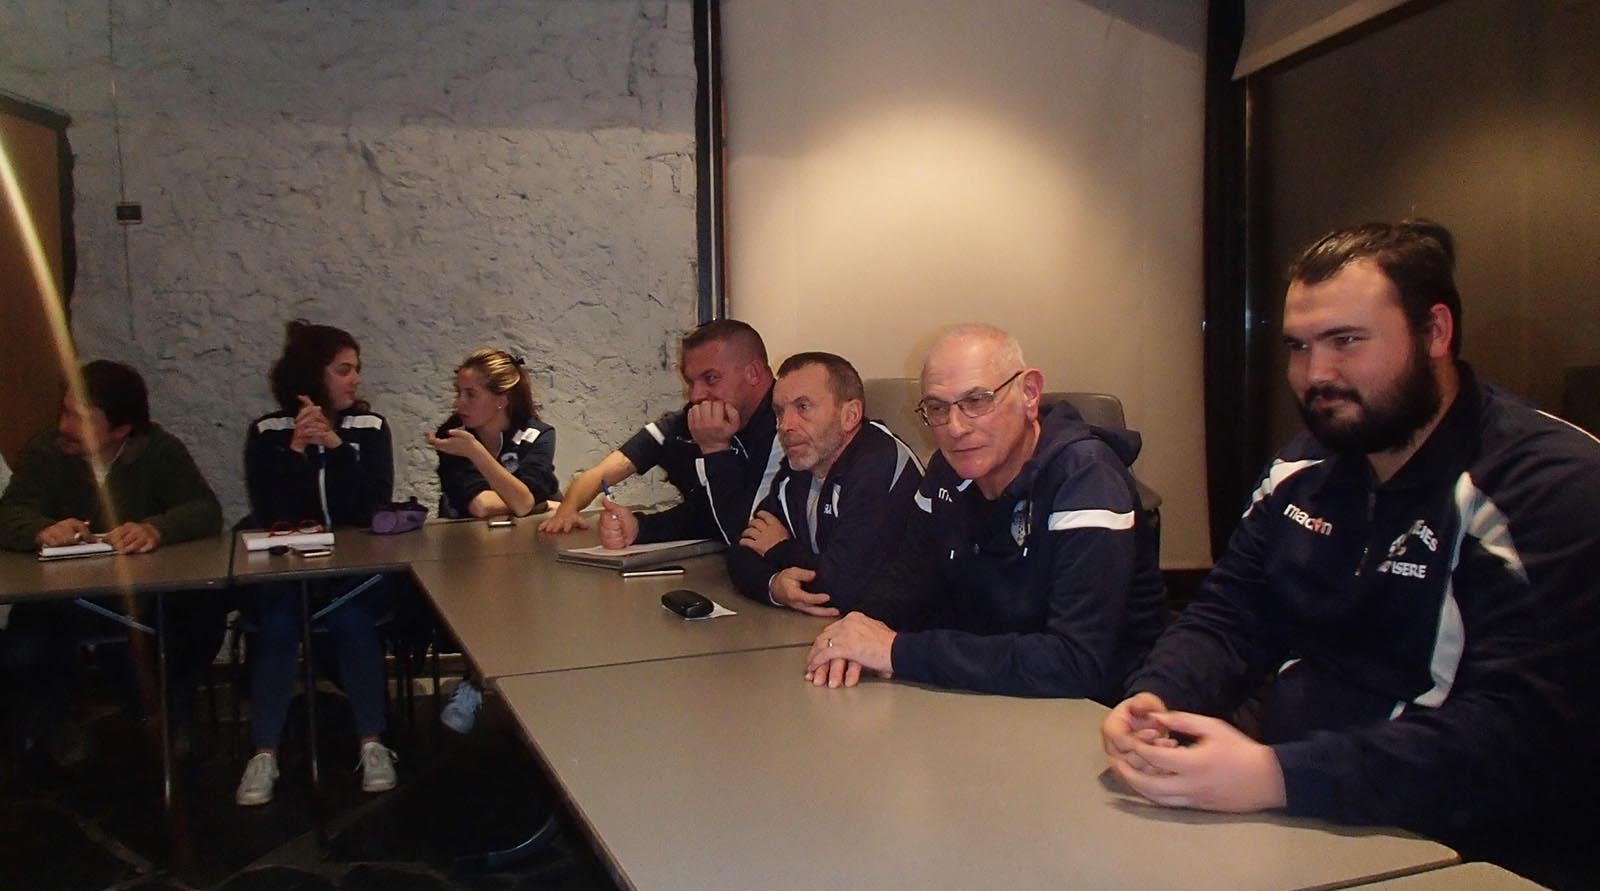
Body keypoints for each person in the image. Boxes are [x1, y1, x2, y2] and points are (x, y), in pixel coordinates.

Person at [1101, 221, 1600, 887]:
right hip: (1303, 816)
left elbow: (1520, 736)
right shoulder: (1305, 466)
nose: (1316, 375)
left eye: (1346, 341)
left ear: (1435, 332)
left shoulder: (1548, 484)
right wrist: (1156, 696)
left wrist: (1275, 775)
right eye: (1299, 347)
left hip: (1472, 847)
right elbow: (1229, 613)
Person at [802, 325, 1168, 701]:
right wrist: (857, 629)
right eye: (937, 408)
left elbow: (1074, 663)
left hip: (1100, 713)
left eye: (977, 401)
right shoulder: (947, 471)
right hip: (992, 696)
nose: (955, 428)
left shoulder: (1087, 478)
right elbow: (906, 581)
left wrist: (896, 651)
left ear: (1029, 393)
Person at [0, 360, 223, 764]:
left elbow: (203, 509)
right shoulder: (45, 452)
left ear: (120, 430)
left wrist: (156, 529)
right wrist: (41, 530)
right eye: (65, 412)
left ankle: (175, 719)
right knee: (23, 650)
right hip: (63, 599)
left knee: (193, 626)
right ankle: (52, 728)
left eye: (80, 419)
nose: (65, 426)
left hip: (141, 598)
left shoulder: (158, 451)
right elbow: (9, 513)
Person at [236, 320, 396, 806]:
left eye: (356, 369)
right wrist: (296, 450)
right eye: (344, 370)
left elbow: (371, 506)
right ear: (313, 375)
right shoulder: (267, 432)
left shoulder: (370, 429)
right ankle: (263, 752)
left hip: (352, 572)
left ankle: (372, 743)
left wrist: (335, 447)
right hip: (290, 570)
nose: (355, 379)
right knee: (280, 622)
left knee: (351, 617)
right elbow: (270, 511)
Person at [539, 320, 781, 548]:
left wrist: (716, 450)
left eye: (711, 378)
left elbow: (744, 531)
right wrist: (636, 527)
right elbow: (706, 514)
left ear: (753, 373)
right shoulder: (688, 421)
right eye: (690, 382)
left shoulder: (787, 428)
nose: (696, 395)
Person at [726, 351, 923, 615]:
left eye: (803, 407)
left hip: (899, 630)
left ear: (850, 415)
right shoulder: (802, 463)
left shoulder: (880, 462)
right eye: (779, 412)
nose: (785, 425)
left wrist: (779, 549)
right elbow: (742, 550)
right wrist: (774, 586)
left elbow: (843, 588)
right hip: (827, 626)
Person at [429, 347, 560, 732]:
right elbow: (484, 504)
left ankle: (516, 686)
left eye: (470, 394)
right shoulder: (453, 435)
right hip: (467, 557)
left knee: (535, 591)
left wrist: (482, 461)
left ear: (501, 400)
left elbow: (521, 502)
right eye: (458, 393)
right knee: (492, 590)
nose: (459, 403)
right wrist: (538, 502)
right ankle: (476, 682)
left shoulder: (538, 434)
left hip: (526, 556)